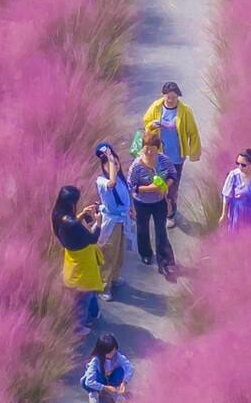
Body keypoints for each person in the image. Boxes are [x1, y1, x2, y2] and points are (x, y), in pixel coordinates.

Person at [144, 82, 202, 227]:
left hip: (176, 157)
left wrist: (194, 153)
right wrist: (152, 125)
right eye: (167, 97)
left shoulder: (185, 111)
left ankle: (170, 215)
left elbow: (193, 133)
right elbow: (146, 123)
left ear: (178, 96)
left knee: (172, 187)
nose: (170, 100)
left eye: (173, 97)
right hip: (159, 156)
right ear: (163, 95)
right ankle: (163, 207)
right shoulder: (156, 106)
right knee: (159, 183)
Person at [51, 185, 104, 329]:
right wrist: (98, 222)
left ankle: (94, 313)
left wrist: (81, 215)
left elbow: (70, 225)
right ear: (70, 203)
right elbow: (93, 238)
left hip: (72, 257)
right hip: (84, 262)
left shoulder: (57, 214)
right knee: (84, 296)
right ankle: (79, 327)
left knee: (88, 292)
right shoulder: (73, 224)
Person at [127, 129, 176, 275]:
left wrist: (166, 186)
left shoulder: (164, 160)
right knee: (142, 229)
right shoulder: (136, 166)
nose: (149, 152)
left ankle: (164, 260)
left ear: (158, 148)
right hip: (141, 203)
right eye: (146, 149)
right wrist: (149, 188)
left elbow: (173, 174)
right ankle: (146, 253)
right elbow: (132, 186)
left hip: (159, 202)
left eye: (152, 149)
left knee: (161, 231)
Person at [94, 142, 135, 300]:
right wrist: (110, 158)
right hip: (111, 222)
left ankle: (115, 277)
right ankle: (104, 285)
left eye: (116, 163)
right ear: (103, 167)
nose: (115, 166)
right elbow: (112, 182)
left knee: (119, 252)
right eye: (110, 165)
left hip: (122, 220)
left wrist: (132, 211)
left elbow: (127, 197)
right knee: (109, 254)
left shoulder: (121, 179)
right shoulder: (102, 182)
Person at [80, 332, 135, 403]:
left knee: (120, 371)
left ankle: (115, 392)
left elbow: (130, 367)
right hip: (99, 382)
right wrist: (105, 388)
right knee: (90, 379)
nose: (114, 353)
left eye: (115, 350)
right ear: (102, 351)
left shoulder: (117, 356)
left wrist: (124, 382)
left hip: (109, 380)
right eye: (110, 352)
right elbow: (89, 382)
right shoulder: (95, 360)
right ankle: (93, 394)